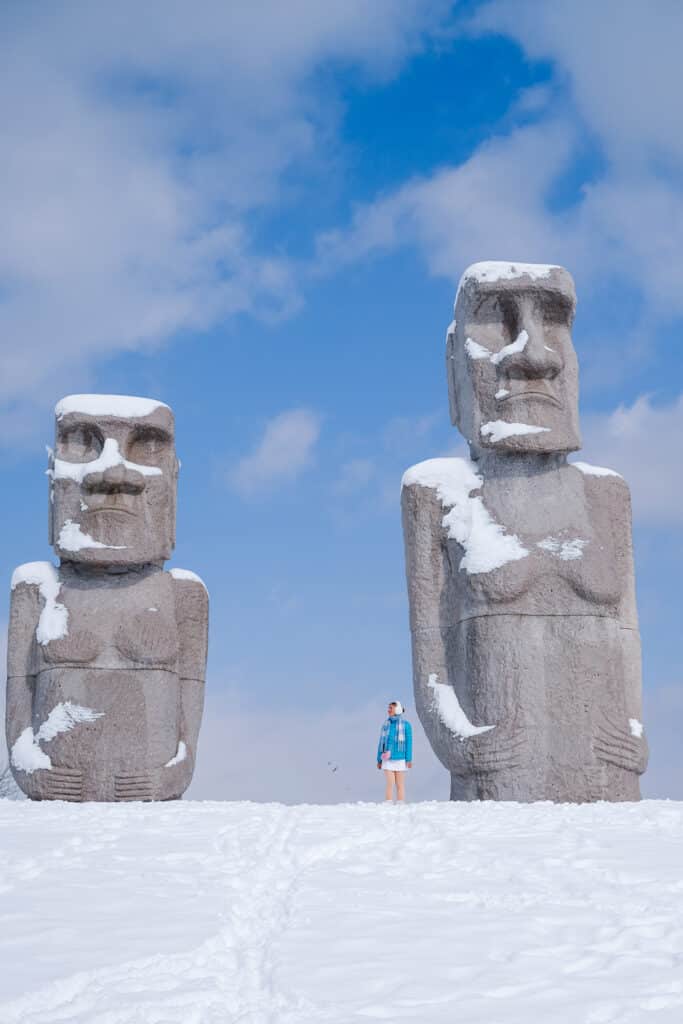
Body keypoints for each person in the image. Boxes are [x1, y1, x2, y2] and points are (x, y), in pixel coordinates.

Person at [376, 701, 413, 802]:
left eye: (390, 708)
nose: (388, 710)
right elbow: (381, 743)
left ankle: (400, 805)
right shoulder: (385, 725)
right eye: (388, 708)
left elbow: (409, 743)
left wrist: (409, 759)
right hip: (387, 759)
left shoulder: (406, 725)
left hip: (400, 759)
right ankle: (388, 805)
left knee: (400, 784)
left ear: (397, 710)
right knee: (390, 783)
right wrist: (379, 760)